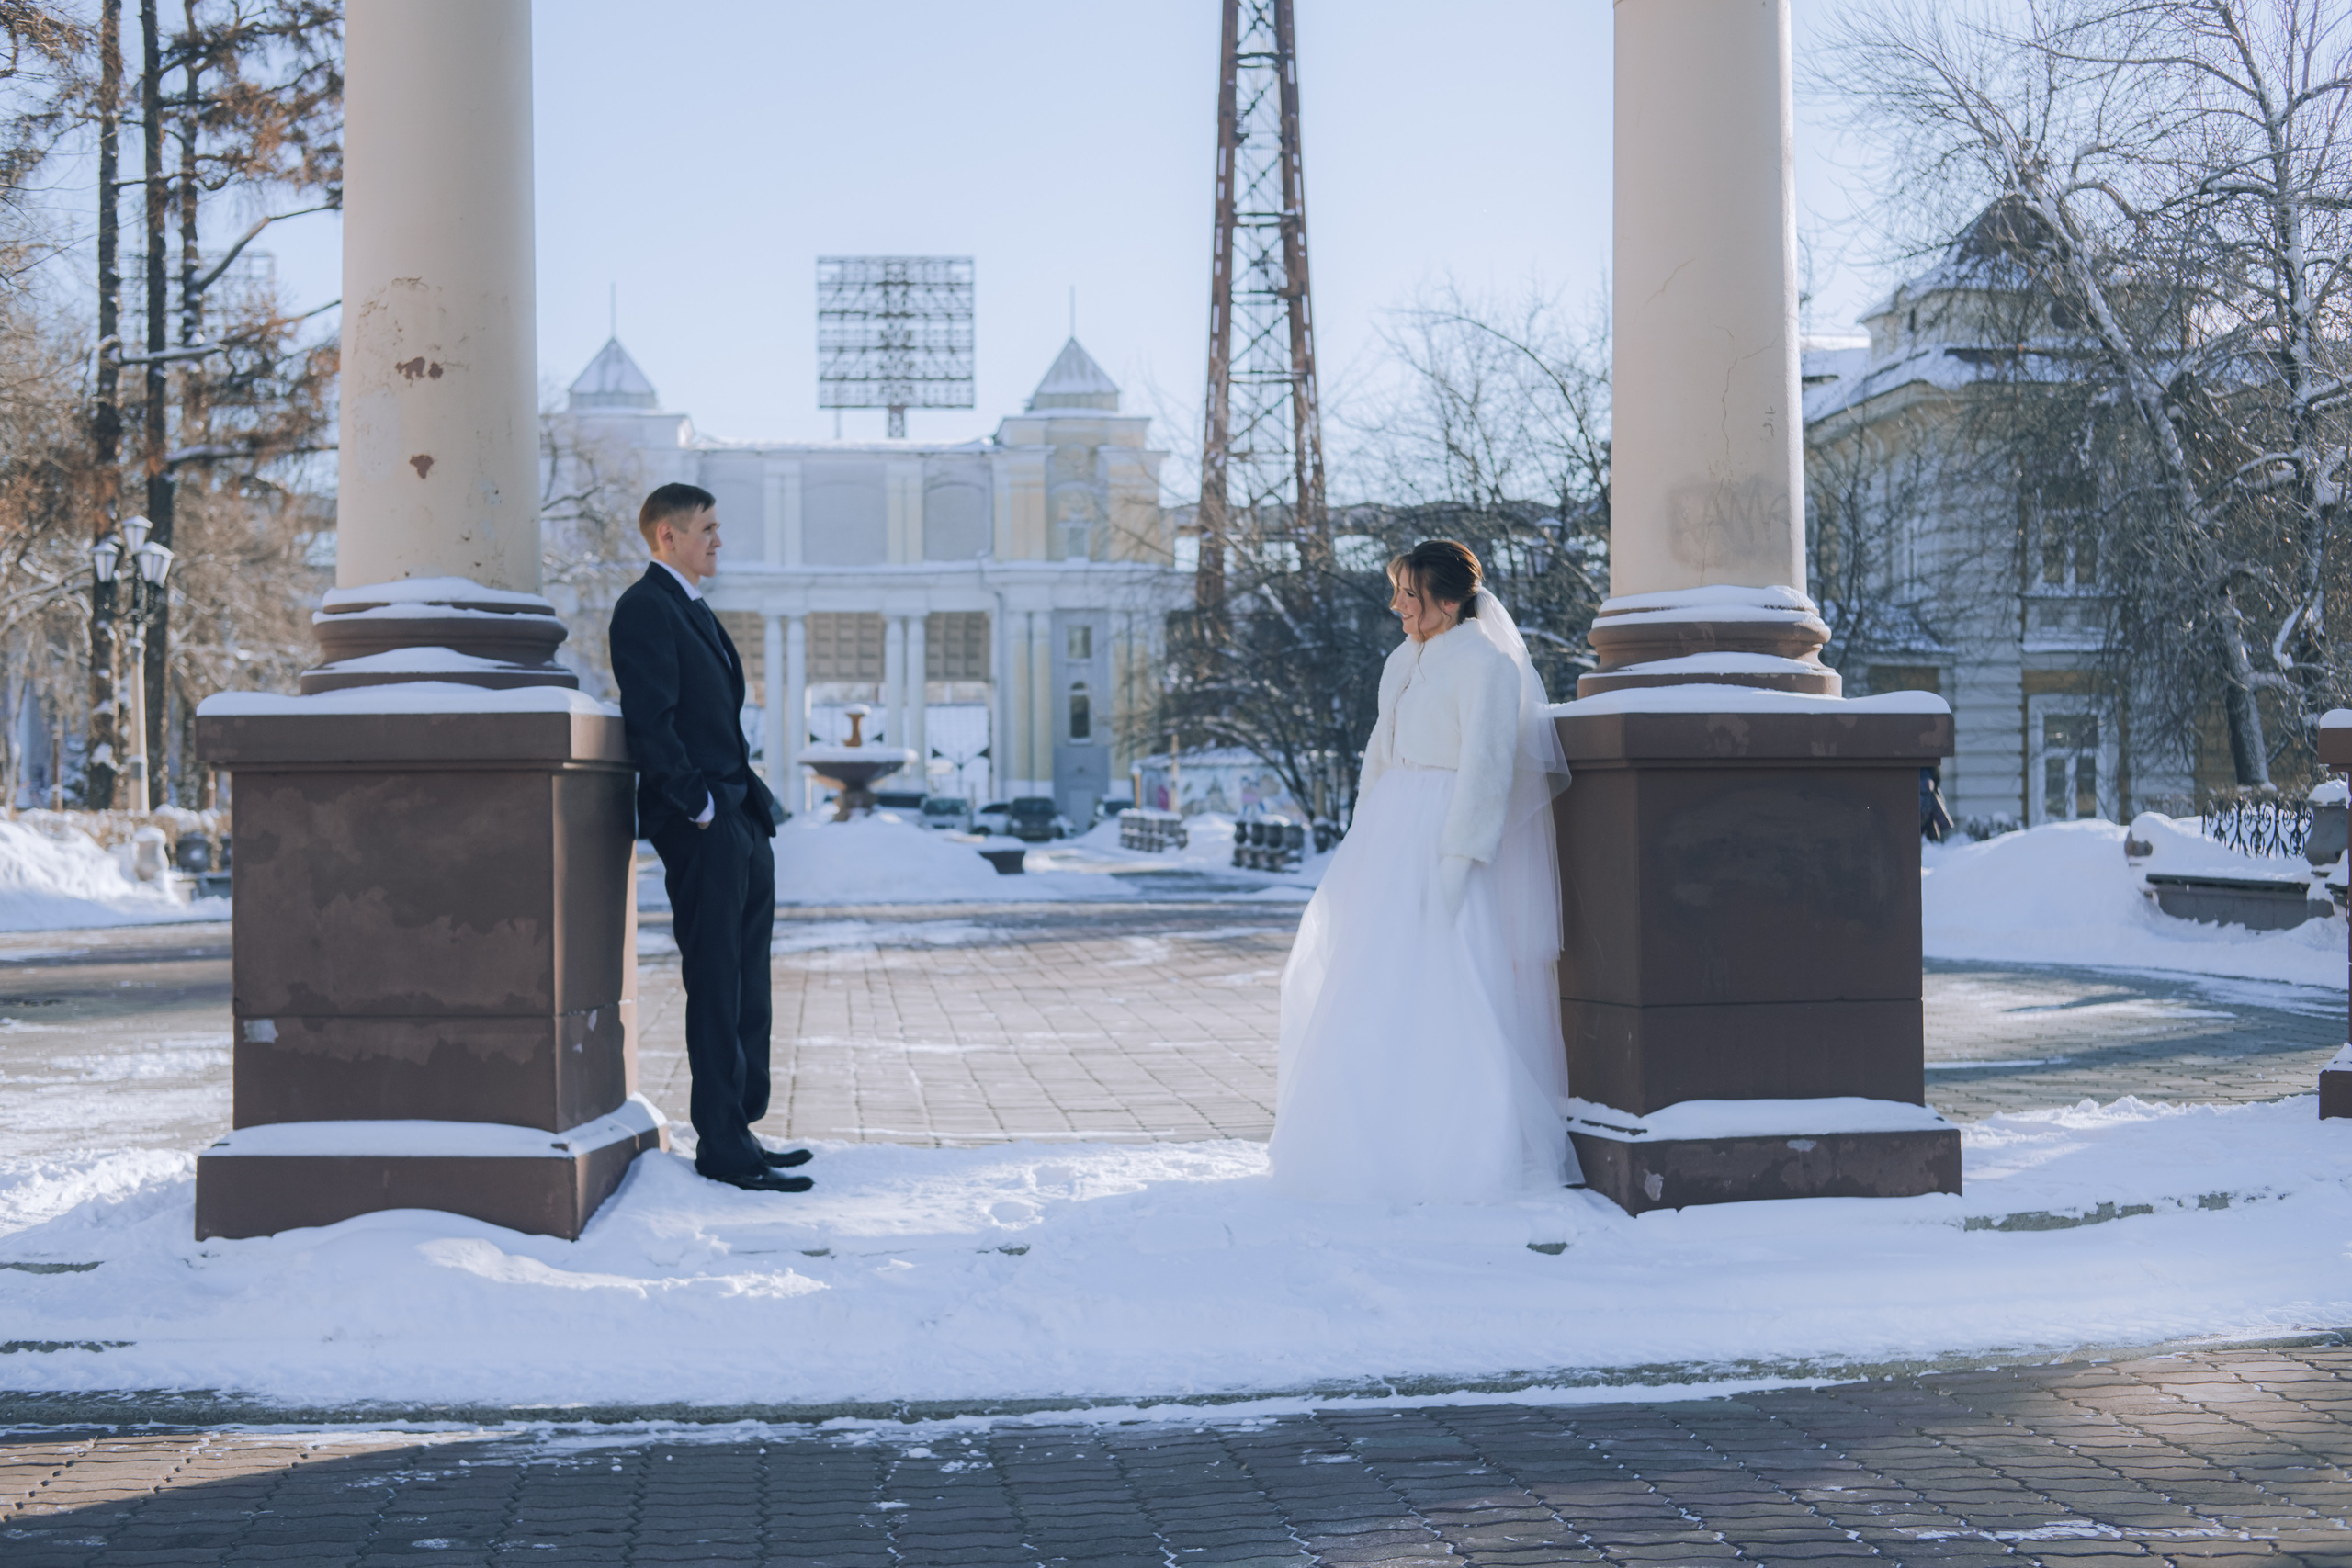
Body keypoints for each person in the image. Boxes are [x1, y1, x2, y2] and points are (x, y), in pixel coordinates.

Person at [1269, 539, 1577, 1203]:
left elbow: (1488, 769)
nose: (1397, 606)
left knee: (1449, 982)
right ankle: (1364, 1142)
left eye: (1409, 594)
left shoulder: (1488, 666)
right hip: (1390, 832)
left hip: (1443, 833)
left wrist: (1458, 859)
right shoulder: (1401, 659)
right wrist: (1364, 834)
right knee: (1370, 980)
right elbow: (1381, 749)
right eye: (1399, 592)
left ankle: (1457, 1149)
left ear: (1447, 599)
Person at [609, 483, 813, 1194]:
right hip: (703, 825)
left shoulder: (690, 607)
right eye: (708, 529)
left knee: (746, 978)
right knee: (716, 981)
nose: (719, 540)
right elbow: (651, 720)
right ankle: (723, 1148)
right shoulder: (645, 608)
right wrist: (698, 807)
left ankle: (742, 1127)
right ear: (667, 536)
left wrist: (741, 811)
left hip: (738, 817)